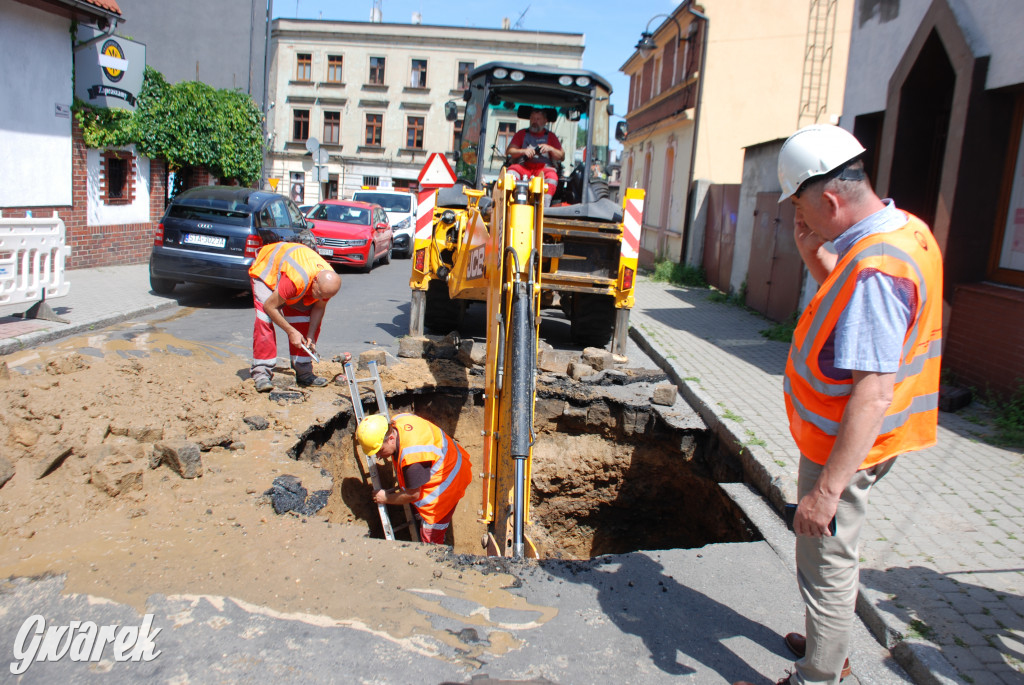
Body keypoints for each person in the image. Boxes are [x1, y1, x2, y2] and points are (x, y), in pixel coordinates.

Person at [735, 125, 943, 685]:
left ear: (829, 200)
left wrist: (826, 491)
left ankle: (821, 674)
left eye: (800, 207)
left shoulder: (878, 267)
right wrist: (815, 256)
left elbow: (872, 390)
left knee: (824, 560)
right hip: (866, 436)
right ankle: (827, 647)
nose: (798, 219)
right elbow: (859, 319)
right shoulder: (904, 230)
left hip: (847, 446)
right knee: (827, 556)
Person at [355, 413, 473, 544]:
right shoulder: (398, 420)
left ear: (391, 438)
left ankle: (438, 552)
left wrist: (386, 498)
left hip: (448, 486)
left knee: (430, 540)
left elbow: (413, 495)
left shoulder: (413, 459)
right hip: (449, 459)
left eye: (380, 450)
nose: (378, 456)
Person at [248, 240, 349, 392]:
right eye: (319, 294)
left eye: (324, 297)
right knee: (265, 318)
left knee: (303, 319)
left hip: (293, 278)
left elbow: (319, 308)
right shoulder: (297, 279)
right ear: (315, 281)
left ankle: (303, 371)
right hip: (267, 271)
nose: (320, 298)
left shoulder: (327, 285)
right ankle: (261, 373)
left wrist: (311, 336)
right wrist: (290, 331)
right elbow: (270, 306)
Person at [506, 108, 565, 203]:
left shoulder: (551, 136)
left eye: (538, 119)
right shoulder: (521, 134)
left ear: (545, 121)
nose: (534, 121)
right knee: (511, 172)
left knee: (552, 177)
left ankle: (545, 206)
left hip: (544, 169)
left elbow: (561, 156)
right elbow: (509, 151)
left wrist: (550, 148)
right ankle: (509, 202)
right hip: (524, 168)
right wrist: (523, 151)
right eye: (533, 118)